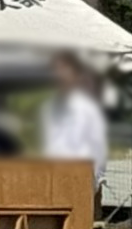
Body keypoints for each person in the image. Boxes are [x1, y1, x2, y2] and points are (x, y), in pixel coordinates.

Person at [41, 53, 110, 195]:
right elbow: (48, 146)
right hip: (54, 180)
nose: (59, 76)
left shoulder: (88, 109)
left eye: (63, 71)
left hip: (80, 182)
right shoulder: (48, 108)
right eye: (55, 72)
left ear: (75, 76)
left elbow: (99, 148)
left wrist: (93, 183)